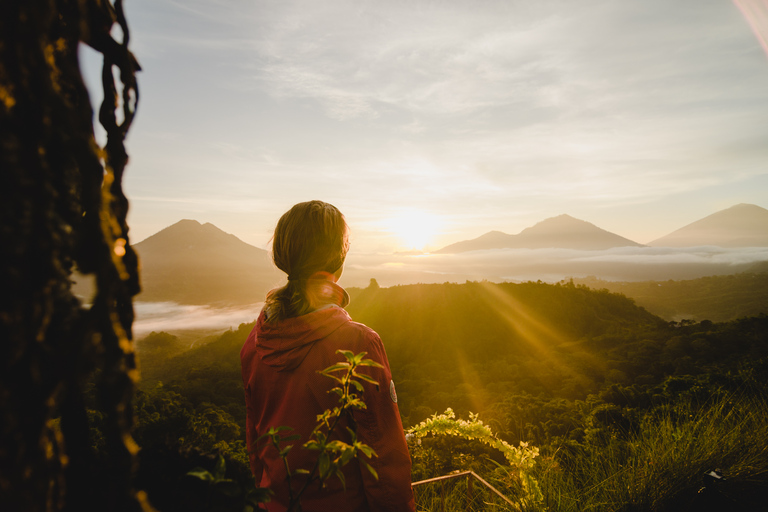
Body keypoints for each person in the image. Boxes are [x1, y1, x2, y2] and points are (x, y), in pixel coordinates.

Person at [240, 200, 415, 512]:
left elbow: (257, 446)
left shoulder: (254, 344)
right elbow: (385, 460)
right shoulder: (358, 343)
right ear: (340, 257)